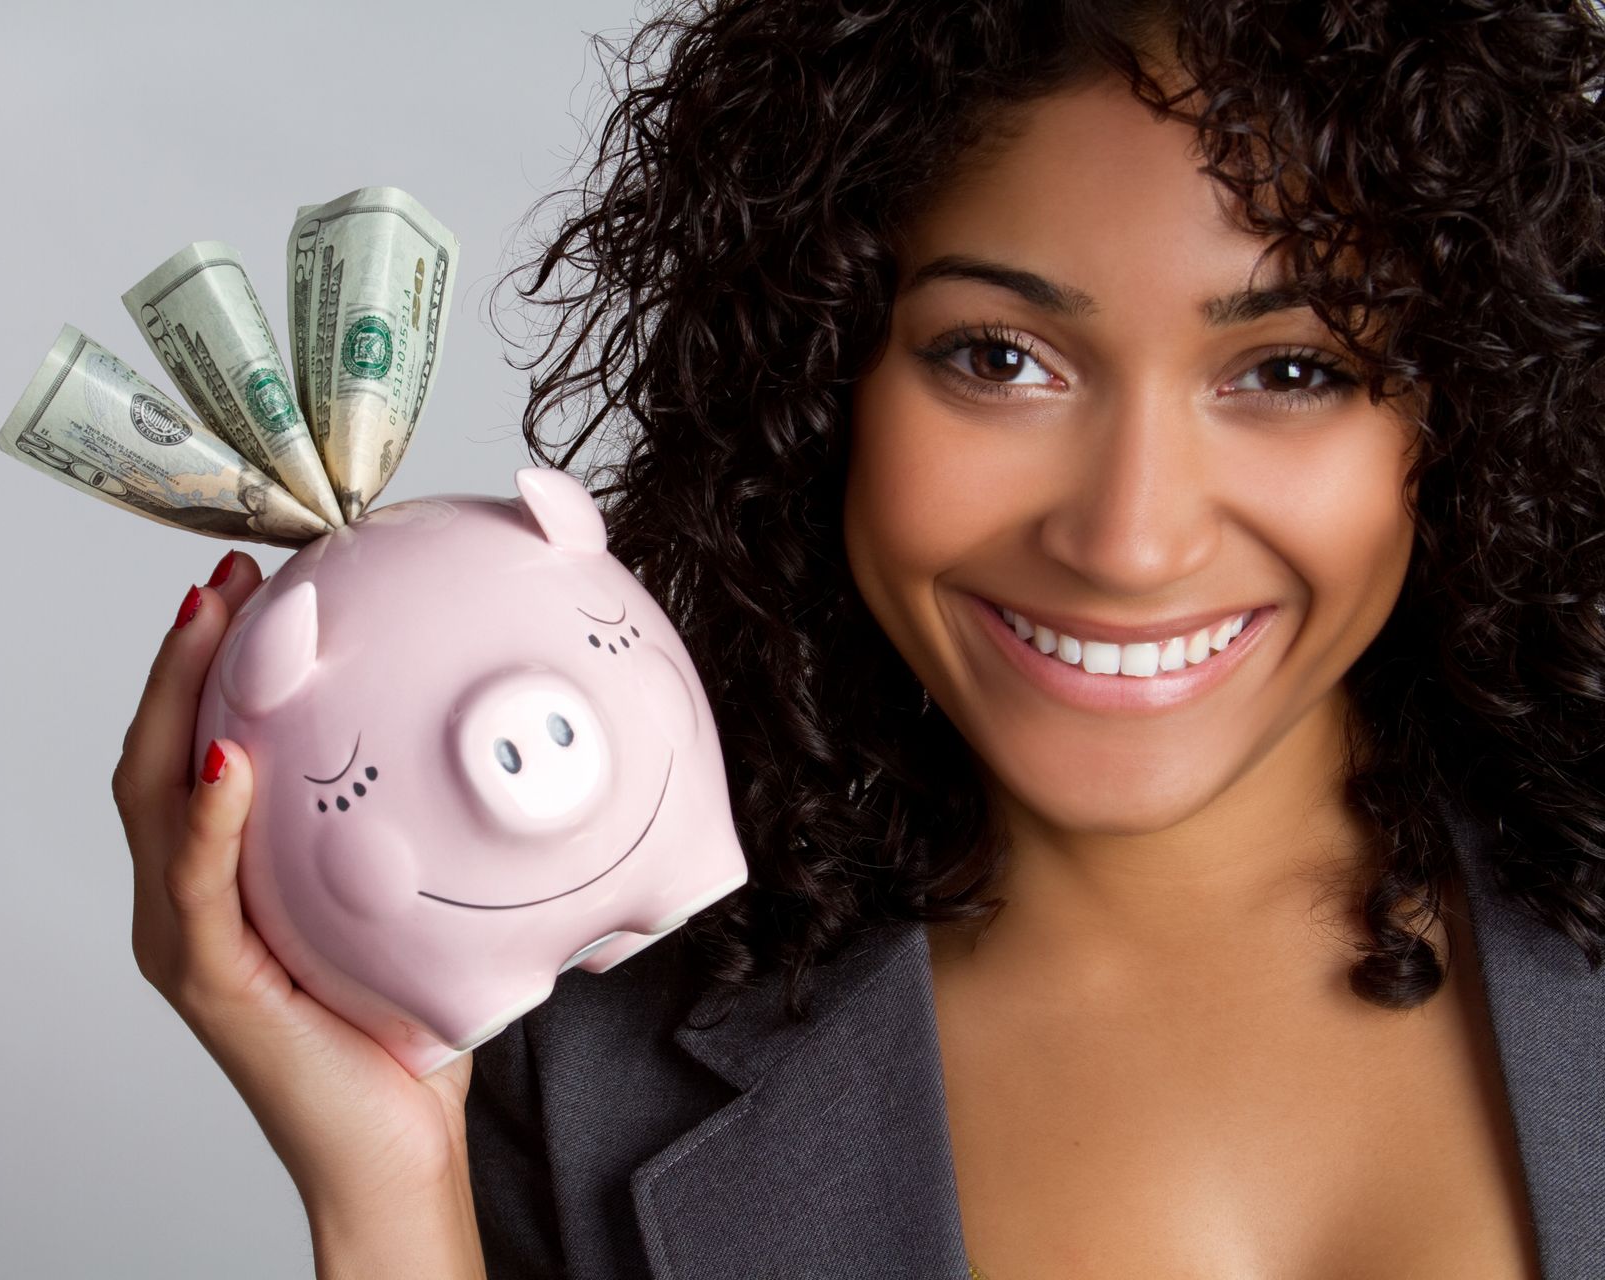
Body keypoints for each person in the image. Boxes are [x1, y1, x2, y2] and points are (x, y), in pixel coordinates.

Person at [111, 0, 1605, 1276]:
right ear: (821, 375)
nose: (1131, 536)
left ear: (1466, 399)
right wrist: (388, 1201)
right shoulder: (571, 1068)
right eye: (999, 357)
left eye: (1288, 366)